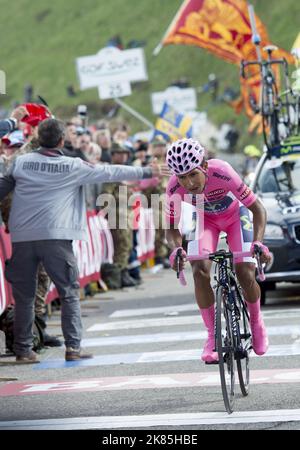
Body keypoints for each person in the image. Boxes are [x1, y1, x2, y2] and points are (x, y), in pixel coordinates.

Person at [0, 118, 167, 363]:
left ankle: (24, 351)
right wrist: (145, 171)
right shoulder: (73, 165)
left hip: (23, 238)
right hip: (57, 238)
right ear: (62, 141)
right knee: (68, 292)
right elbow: (109, 170)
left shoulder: (20, 163)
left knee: (24, 297)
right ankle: (73, 348)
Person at [165, 138, 271, 363]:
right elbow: (171, 228)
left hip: (235, 216)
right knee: (199, 270)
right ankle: (212, 335)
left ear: (204, 166)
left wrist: (258, 243)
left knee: (244, 271)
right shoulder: (174, 187)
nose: (189, 183)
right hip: (204, 220)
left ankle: (256, 322)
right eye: (182, 177)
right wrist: (176, 249)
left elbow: (258, 209)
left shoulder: (223, 171)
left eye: (193, 174)